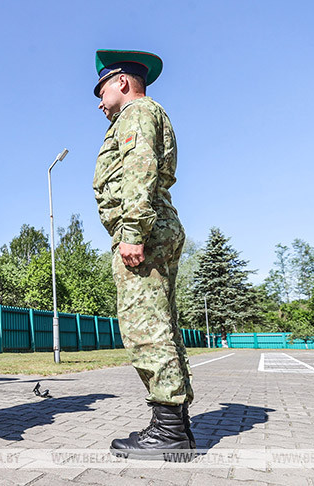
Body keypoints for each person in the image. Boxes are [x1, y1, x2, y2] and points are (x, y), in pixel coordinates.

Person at [90, 50, 195, 460]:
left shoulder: (135, 113)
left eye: (101, 90)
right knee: (161, 324)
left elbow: (140, 168)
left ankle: (169, 429)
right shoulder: (145, 114)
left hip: (143, 232)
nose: (99, 101)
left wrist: (132, 231)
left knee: (145, 327)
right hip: (156, 225)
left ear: (120, 82)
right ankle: (175, 423)